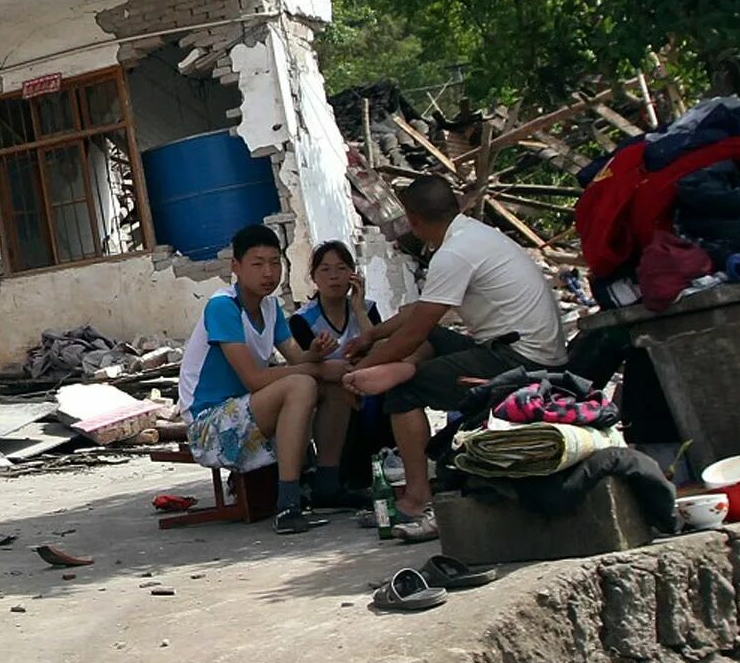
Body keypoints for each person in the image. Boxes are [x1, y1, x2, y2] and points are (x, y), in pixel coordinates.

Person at [340, 178, 569, 535]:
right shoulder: (474, 235)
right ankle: (402, 368)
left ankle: (416, 499)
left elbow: (416, 328)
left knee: (404, 392)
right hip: (521, 349)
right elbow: (421, 313)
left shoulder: (453, 254)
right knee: (427, 340)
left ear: (412, 220)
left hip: (521, 361)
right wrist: (373, 335)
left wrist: (358, 375)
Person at [181, 224, 325, 532]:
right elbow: (255, 379)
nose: (268, 273)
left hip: (246, 410)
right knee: (302, 384)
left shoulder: (270, 307)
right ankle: (288, 505)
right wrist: (311, 370)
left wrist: (317, 354)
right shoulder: (223, 306)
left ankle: (329, 481)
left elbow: (298, 358)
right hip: (209, 424)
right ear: (236, 266)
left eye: (275, 263)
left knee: (326, 383)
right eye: (257, 263)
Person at [281, 239, 388, 503]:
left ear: (352, 274)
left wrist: (359, 310)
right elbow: (307, 365)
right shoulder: (303, 320)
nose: (334, 277)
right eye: (325, 270)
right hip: (331, 390)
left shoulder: (368, 309)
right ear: (314, 277)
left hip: (366, 381)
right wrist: (318, 353)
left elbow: (383, 349)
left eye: (341, 269)